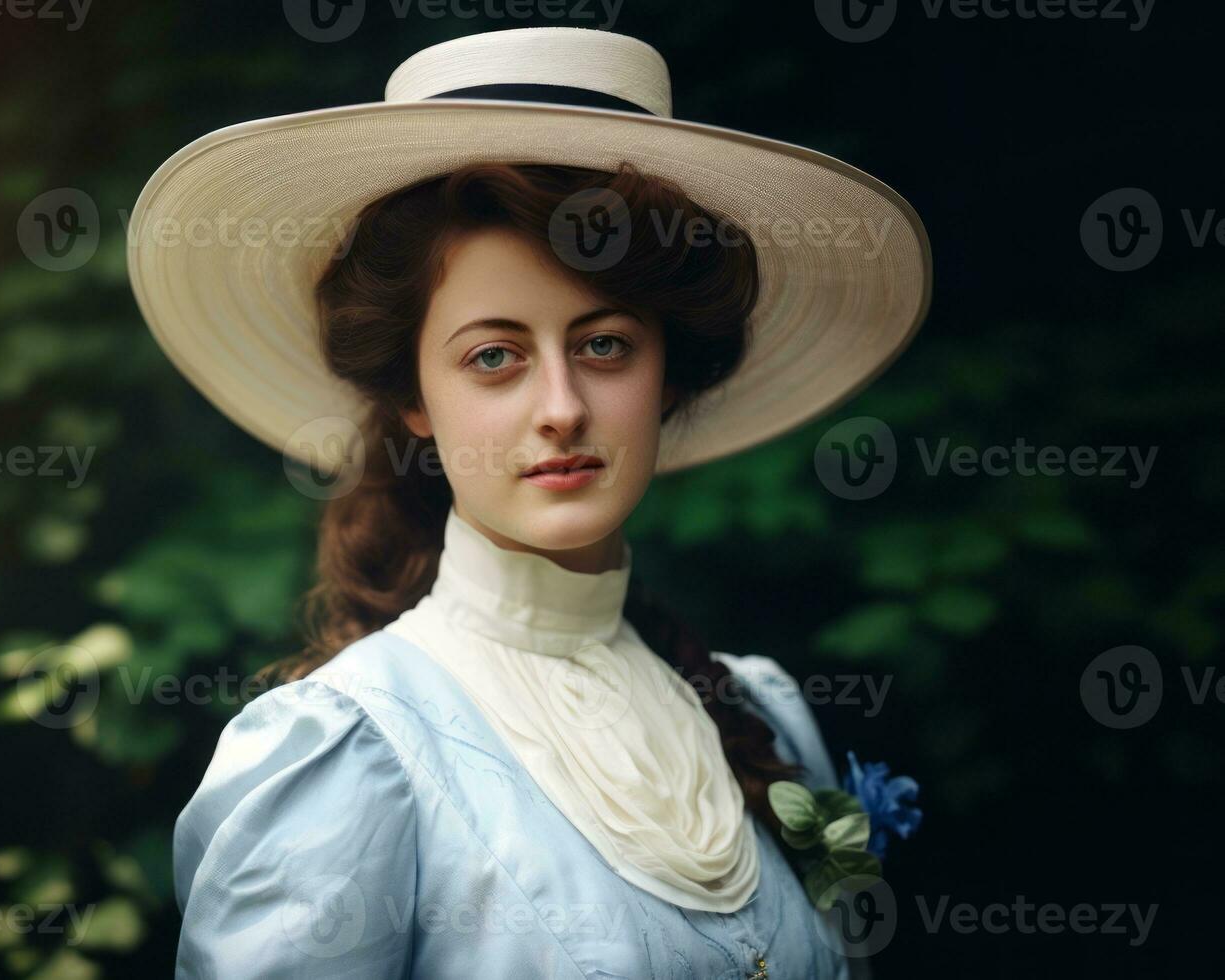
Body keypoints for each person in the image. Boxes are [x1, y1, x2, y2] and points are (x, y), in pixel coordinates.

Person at [127, 26, 931, 979]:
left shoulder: (768, 712)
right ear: (415, 399)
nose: (560, 410)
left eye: (603, 346)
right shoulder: (347, 747)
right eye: (494, 357)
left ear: (668, 373)